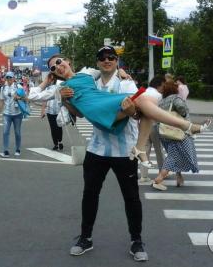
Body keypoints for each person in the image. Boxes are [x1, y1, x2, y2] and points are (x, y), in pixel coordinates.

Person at [29, 47, 152, 262]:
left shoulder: (126, 82)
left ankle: (136, 240)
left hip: (124, 151)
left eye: (111, 58)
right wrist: (65, 99)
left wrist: (131, 110)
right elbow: (81, 112)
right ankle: (85, 237)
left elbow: (138, 114)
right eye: (103, 58)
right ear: (97, 63)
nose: (107, 61)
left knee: (131, 197)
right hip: (97, 148)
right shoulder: (90, 80)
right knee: (90, 194)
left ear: (117, 61)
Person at [43, 54, 207, 169]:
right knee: (91, 194)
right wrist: (61, 97)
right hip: (97, 115)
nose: (57, 67)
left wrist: (120, 72)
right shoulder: (60, 87)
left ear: (68, 61)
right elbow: (77, 113)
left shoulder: (88, 75)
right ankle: (185, 126)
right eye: (53, 67)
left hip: (111, 119)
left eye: (58, 62)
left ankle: (140, 148)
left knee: (146, 103)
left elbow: (106, 70)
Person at [152, 81, 200, 190]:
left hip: (165, 133)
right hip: (178, 132)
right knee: (175, 156)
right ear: (174, 90)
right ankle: (158, 179)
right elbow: (182, 109)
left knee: (174, 154)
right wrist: (183, 115)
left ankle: (179, 177)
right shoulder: (176, 99)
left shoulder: (162, 101)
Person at [139, 75, 166, 186]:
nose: (164, 88)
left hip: (142, 126)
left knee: (144, 152)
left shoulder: (143, 93)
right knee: (159, 151)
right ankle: (162, 173)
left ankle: (144, 176)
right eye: (163, 85)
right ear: (159, 85)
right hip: (155, 126)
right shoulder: (159, 96)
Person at [0, 71, 24, 158]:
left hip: (17, 114)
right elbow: (1, 100)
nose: (9, 79)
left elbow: (25, 98)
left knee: (17, 132)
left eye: (10, 78)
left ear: (13, 78)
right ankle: (5, 150)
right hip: (7, 113)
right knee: (5, 132)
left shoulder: (18, 86)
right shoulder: (3, 88)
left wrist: (19, 97)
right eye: (7, 78)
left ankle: (18, 149)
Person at [40, 79, 63, 151]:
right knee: (53, 128)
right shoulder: (48, 88)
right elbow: (45, 99)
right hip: (50, 111)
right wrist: (43, 110)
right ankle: (55, 144)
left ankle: (60, 141)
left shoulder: (60, 86)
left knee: (59, 126)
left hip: (59, 110)